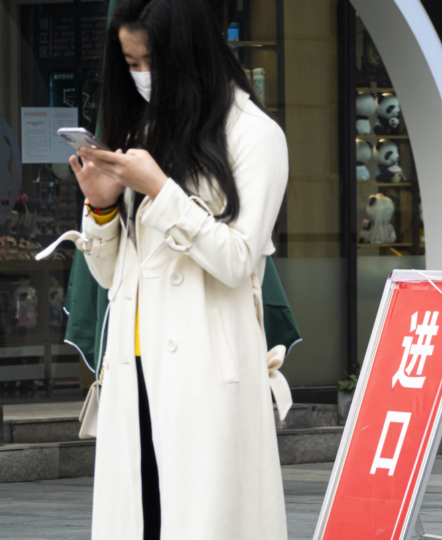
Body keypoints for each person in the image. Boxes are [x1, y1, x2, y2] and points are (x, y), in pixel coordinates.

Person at [59, 0, 289, 537]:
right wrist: (102, 207)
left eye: (150, 62)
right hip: (134, 365)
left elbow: (237, 260)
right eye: (131, 63)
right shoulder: (147, 129)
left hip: (203, 373)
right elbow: (114, 277)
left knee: (197, 517)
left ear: (189, 53)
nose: (142, 76)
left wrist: (160, 190)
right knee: (142, 516)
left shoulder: (255, 135)